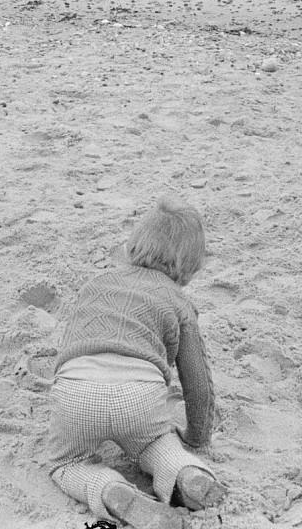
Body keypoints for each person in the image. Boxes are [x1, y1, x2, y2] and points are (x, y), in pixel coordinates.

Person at [45, 197, 226, 529]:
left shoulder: (95, 285)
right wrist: (198, 437)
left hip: (77, 390)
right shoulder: (178, 301)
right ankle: (184, 473)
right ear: (190, 264)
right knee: (158, 442)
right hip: (138, 397)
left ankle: (108, 488)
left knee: (67, 464)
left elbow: (67, 347)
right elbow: (197, 384)